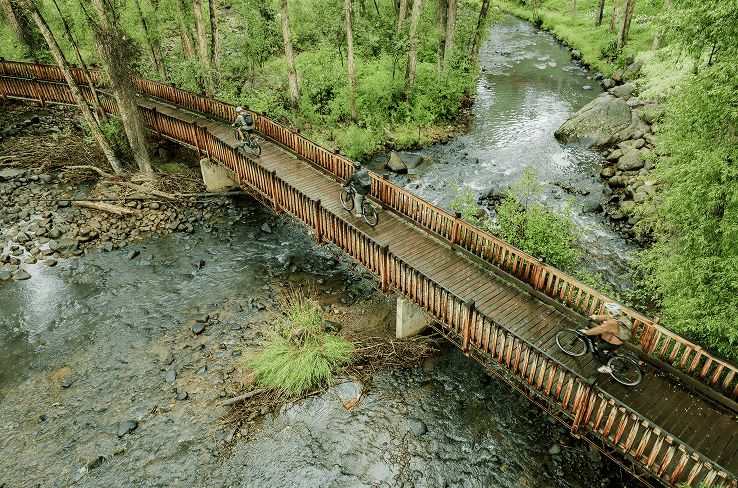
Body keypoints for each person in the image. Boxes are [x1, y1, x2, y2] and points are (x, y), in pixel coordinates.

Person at [585, 302, 627, 374]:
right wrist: (596, 317)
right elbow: (606, 317)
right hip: (618, 338)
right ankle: (606, 352)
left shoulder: (610, 323)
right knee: (603, 336)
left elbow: (599, 329)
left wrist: (586, 332)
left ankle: (606, 367)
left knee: (599, 348)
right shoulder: (617, 317)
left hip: (615, 342)